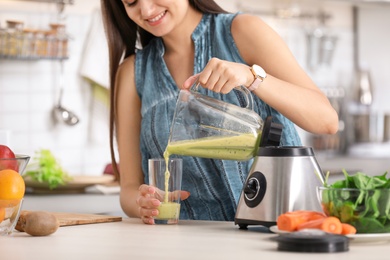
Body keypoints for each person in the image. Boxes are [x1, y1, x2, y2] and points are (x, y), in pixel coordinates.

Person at [100, 0, 338, 224]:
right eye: (130, 2)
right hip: (193, 245)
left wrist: (252, 76)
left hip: (281, 232)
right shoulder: (133, 73)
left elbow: (326, 121)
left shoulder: (242, 31)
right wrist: (142, 202)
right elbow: (130, 189)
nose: (146, 9)